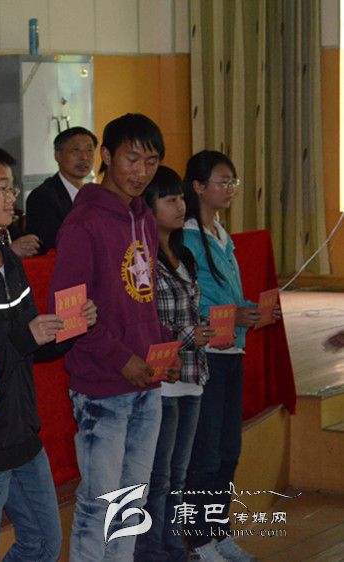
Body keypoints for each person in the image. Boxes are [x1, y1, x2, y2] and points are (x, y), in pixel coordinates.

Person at [0, 145, 96, 562]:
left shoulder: (9, 260)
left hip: (22, 430)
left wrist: (69, 328)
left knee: (44, 543)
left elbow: (31, 349)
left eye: (12, 189)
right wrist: (26, 337)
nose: (12, 198)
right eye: (2, 188)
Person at [48, 113, 177, 561]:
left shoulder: (144, 218)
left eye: (151, 162)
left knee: (130, 504)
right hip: (101, 389)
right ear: (106, 155)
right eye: (131, 158)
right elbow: (70, 314)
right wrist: (122, 358)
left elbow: (142, 299)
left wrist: (164, 348)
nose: (141, 172)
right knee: (99, 506)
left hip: (145, 382)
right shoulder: (82, 223)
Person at [182, 151, 277, 562]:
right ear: (198, 186)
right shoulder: (187, 238)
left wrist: (250, 311)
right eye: (222, 181)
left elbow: (229, 294)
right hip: (207, 355)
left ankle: (220, 533)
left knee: (228, 451)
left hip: (233, 350)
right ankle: (200, 541)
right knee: (205, 454)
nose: (230, 189)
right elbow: (189, 304)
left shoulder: (222, 233)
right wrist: (230, 315)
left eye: (233, 182)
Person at [135, 166, 212, 562]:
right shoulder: (141, 260)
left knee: (178, 476)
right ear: (149, 207)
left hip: (192, 375)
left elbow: (188, 310)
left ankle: (172, 547)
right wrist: (187, 335)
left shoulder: (183, 255)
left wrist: (205, 329)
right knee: (158, 477)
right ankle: (151, 551)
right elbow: (145, 321)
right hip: (162, 379)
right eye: (170, 199)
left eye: (181, 198)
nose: (181, 206)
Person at [26, 127, 97, 254]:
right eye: (76, 150)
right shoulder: (42, 197)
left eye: (89, 150)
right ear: (58, 156)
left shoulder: (94, 194)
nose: (84, 157)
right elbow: (51, 242)